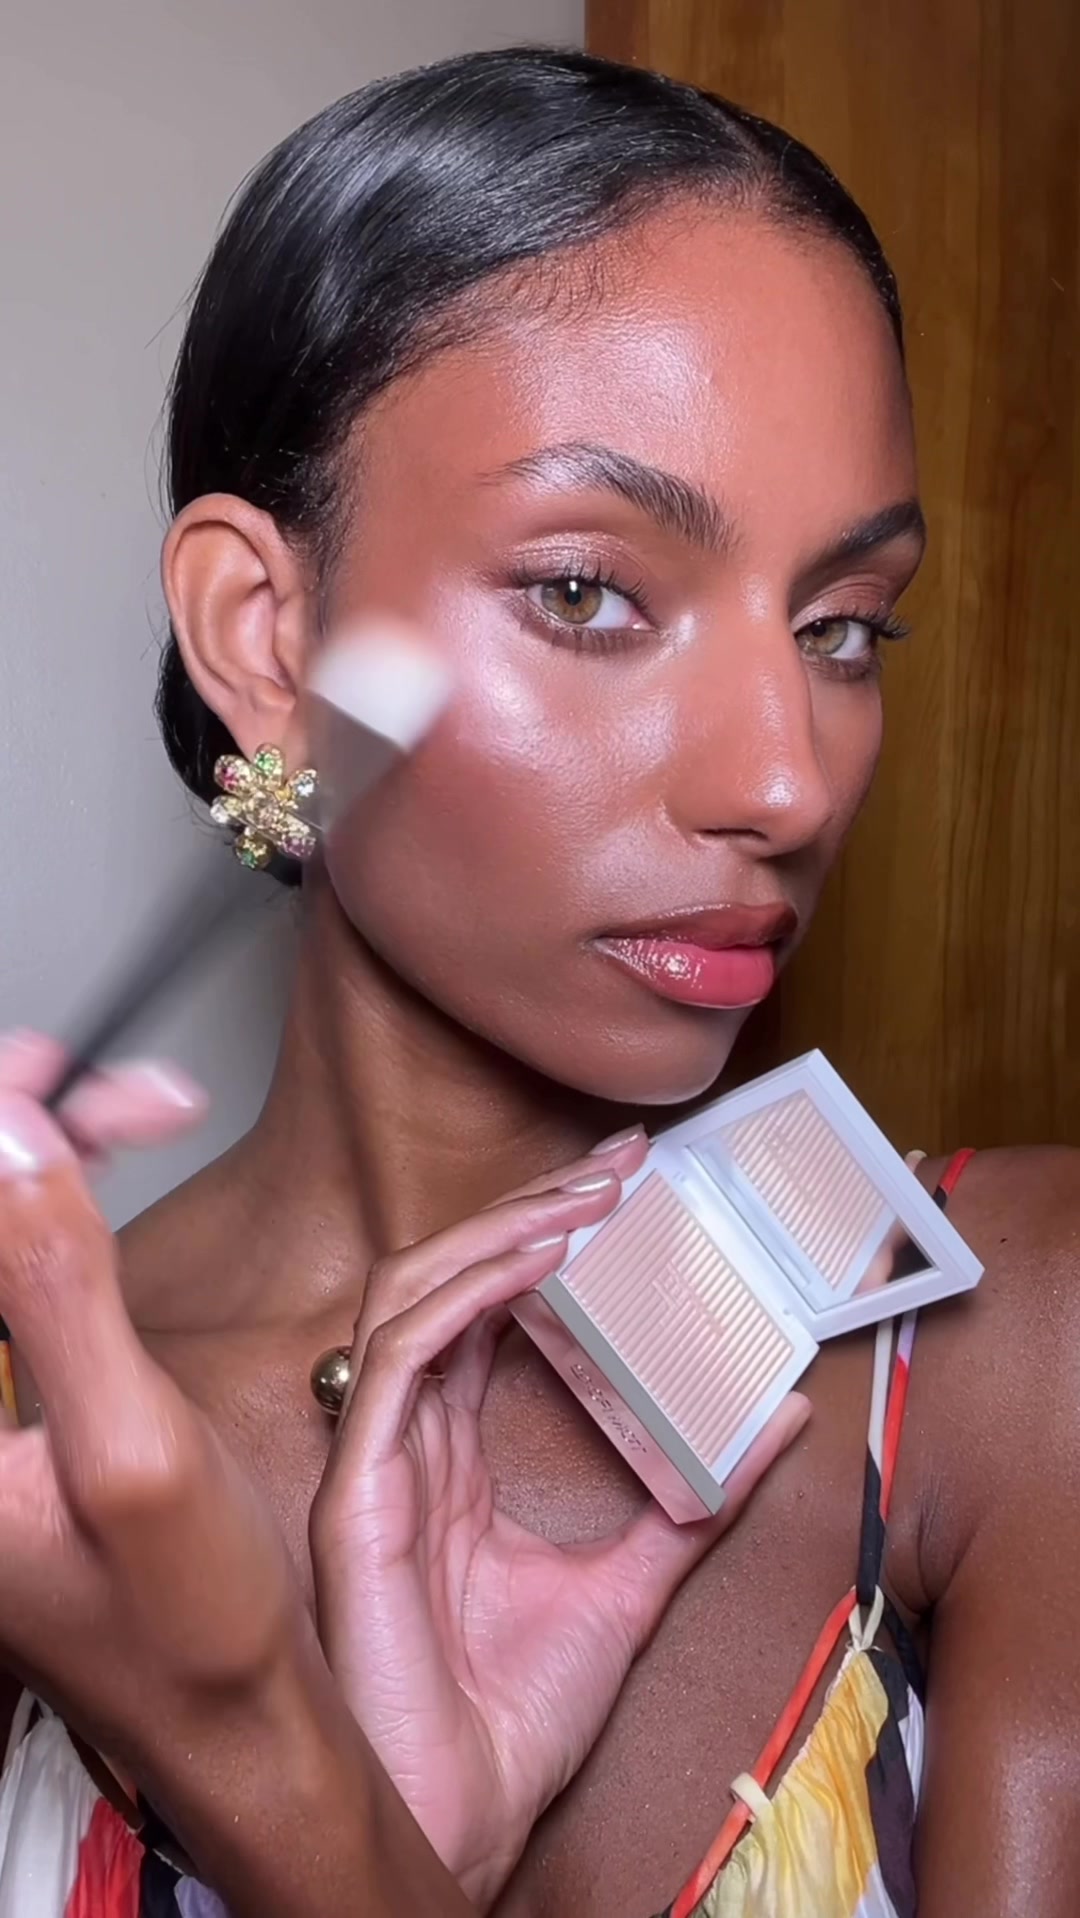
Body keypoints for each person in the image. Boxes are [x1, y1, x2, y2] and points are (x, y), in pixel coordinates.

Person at [2, 43, 1078, 1918]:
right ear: (269, 639)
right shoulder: (40, 1483)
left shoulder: (1016, 1352)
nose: (786, 779)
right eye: (590, 592)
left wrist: (263, 1744)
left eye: (844, 627)